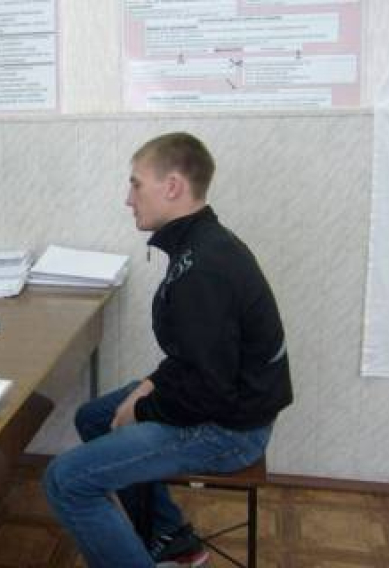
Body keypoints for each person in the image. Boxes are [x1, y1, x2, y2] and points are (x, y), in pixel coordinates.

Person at [43, 132, 293, 568]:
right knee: (94, 417)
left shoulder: (204, 270)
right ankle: (170, 537)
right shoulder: (201, 245)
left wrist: (143, 408)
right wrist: (151, 385)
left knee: (65, 480)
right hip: (226, 405)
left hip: (231, 431)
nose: (128, 198)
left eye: (136, 184)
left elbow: (208, 392)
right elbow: (194, 356)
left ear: (173, 186)